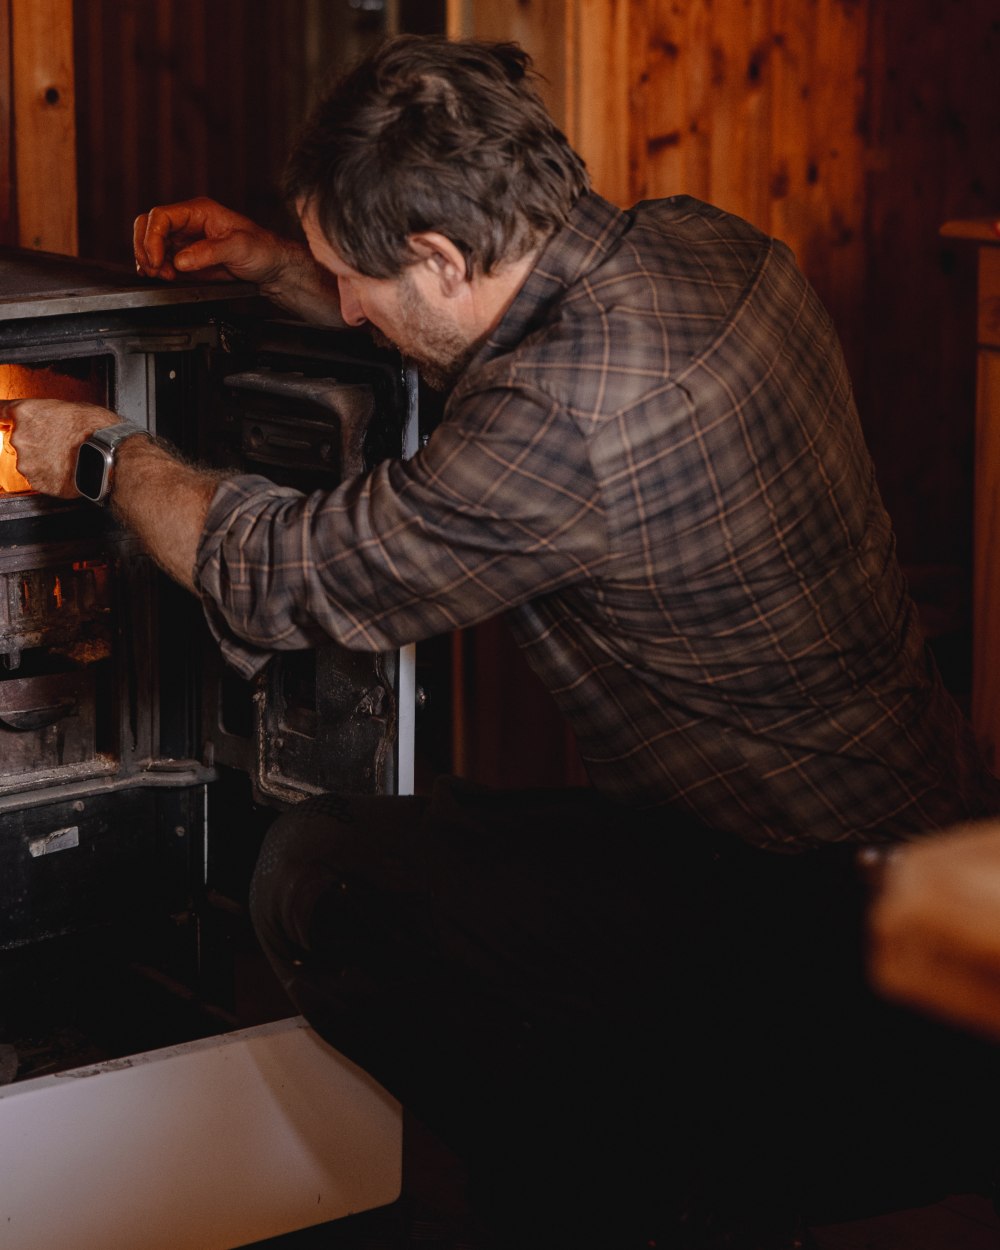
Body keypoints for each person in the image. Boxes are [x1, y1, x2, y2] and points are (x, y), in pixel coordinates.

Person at [6, 34, 1000, 1249]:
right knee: (488, 841)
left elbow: (276, 572)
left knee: (321, 871)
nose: (353, 305)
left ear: (439, 252)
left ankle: (646, 1201)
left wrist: (104, 450)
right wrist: (282, 267)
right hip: (924, 829)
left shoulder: (568, 421)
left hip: (815, 931)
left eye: (356, 277)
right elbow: (475, 318)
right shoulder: (708, 243)